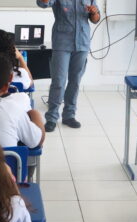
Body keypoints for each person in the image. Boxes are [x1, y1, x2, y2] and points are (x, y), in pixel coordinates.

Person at [36, 0, 100, 132]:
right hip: (62, 42)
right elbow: (43, 4)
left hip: (82, 42)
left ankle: (69, 115)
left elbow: (95, 19)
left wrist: (94, 12)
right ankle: (52, 118)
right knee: (59, 81)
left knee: (75, 81)